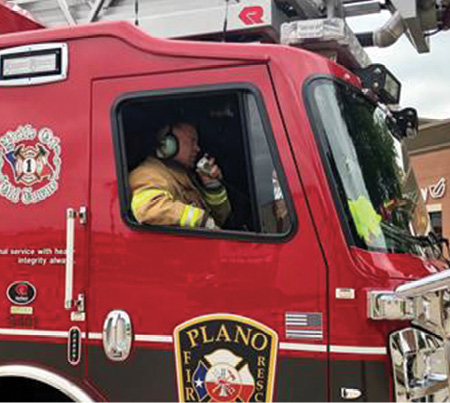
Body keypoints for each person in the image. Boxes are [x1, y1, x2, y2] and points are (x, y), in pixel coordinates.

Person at [129, 122, 231, 229]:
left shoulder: (183, 174)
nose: (197, 148)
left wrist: (212, 186)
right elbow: (148, 209)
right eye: (193, 141)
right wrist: (201, 220)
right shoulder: (146, 174)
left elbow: (219, 220)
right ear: (168, 144)